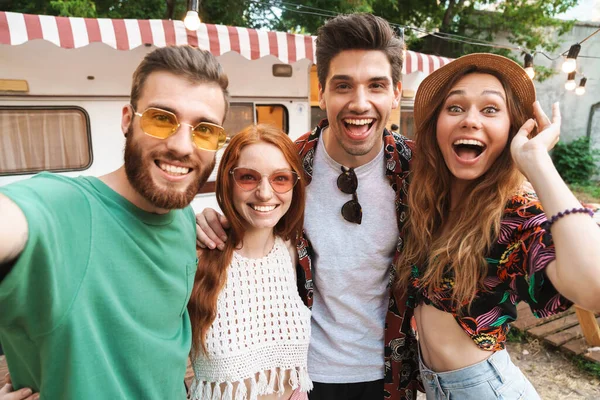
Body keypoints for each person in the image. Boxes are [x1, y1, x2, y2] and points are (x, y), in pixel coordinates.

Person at [195, 13, 421, 400]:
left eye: (376, 86)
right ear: (322, 92)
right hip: (301, 377)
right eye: (343, 85)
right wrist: (198, 222)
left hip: (391, 375)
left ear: (396, 93)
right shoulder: (288, 168)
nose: (359, 102)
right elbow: (246, 214)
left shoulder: (421, 174)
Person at [0, 45, 229, 399]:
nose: (183, 146)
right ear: (127, 119)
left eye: (205, 130)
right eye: (161, 118)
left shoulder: (184, 219)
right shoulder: (65, 209)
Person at [396, 53, 600, 399]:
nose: (470, 121)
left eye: (490, 109)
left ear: (512, 129)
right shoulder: (429, 200)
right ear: (437, 126)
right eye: (455, 108)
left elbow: (594, 288)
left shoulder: (516, 212)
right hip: (434, 388)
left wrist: (537, 161)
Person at [188, 124, 312, 400]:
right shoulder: (197, 253)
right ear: (227, 181)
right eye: (248, 177)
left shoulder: (294, 252)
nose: (265, 193)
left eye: (280, 178)